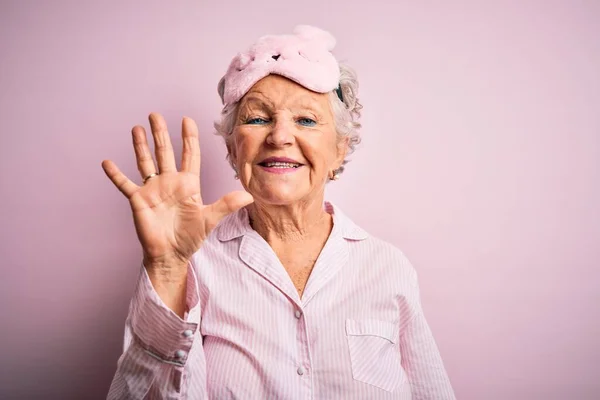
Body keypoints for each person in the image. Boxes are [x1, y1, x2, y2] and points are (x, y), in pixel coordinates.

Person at [102, 25, 455, 400]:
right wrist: (167, 268)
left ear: (340, 148)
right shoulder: (190, 263)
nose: (279, 136)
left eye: (305, 120)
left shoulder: (387, 266)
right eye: (257, 119)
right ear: (233, 150)